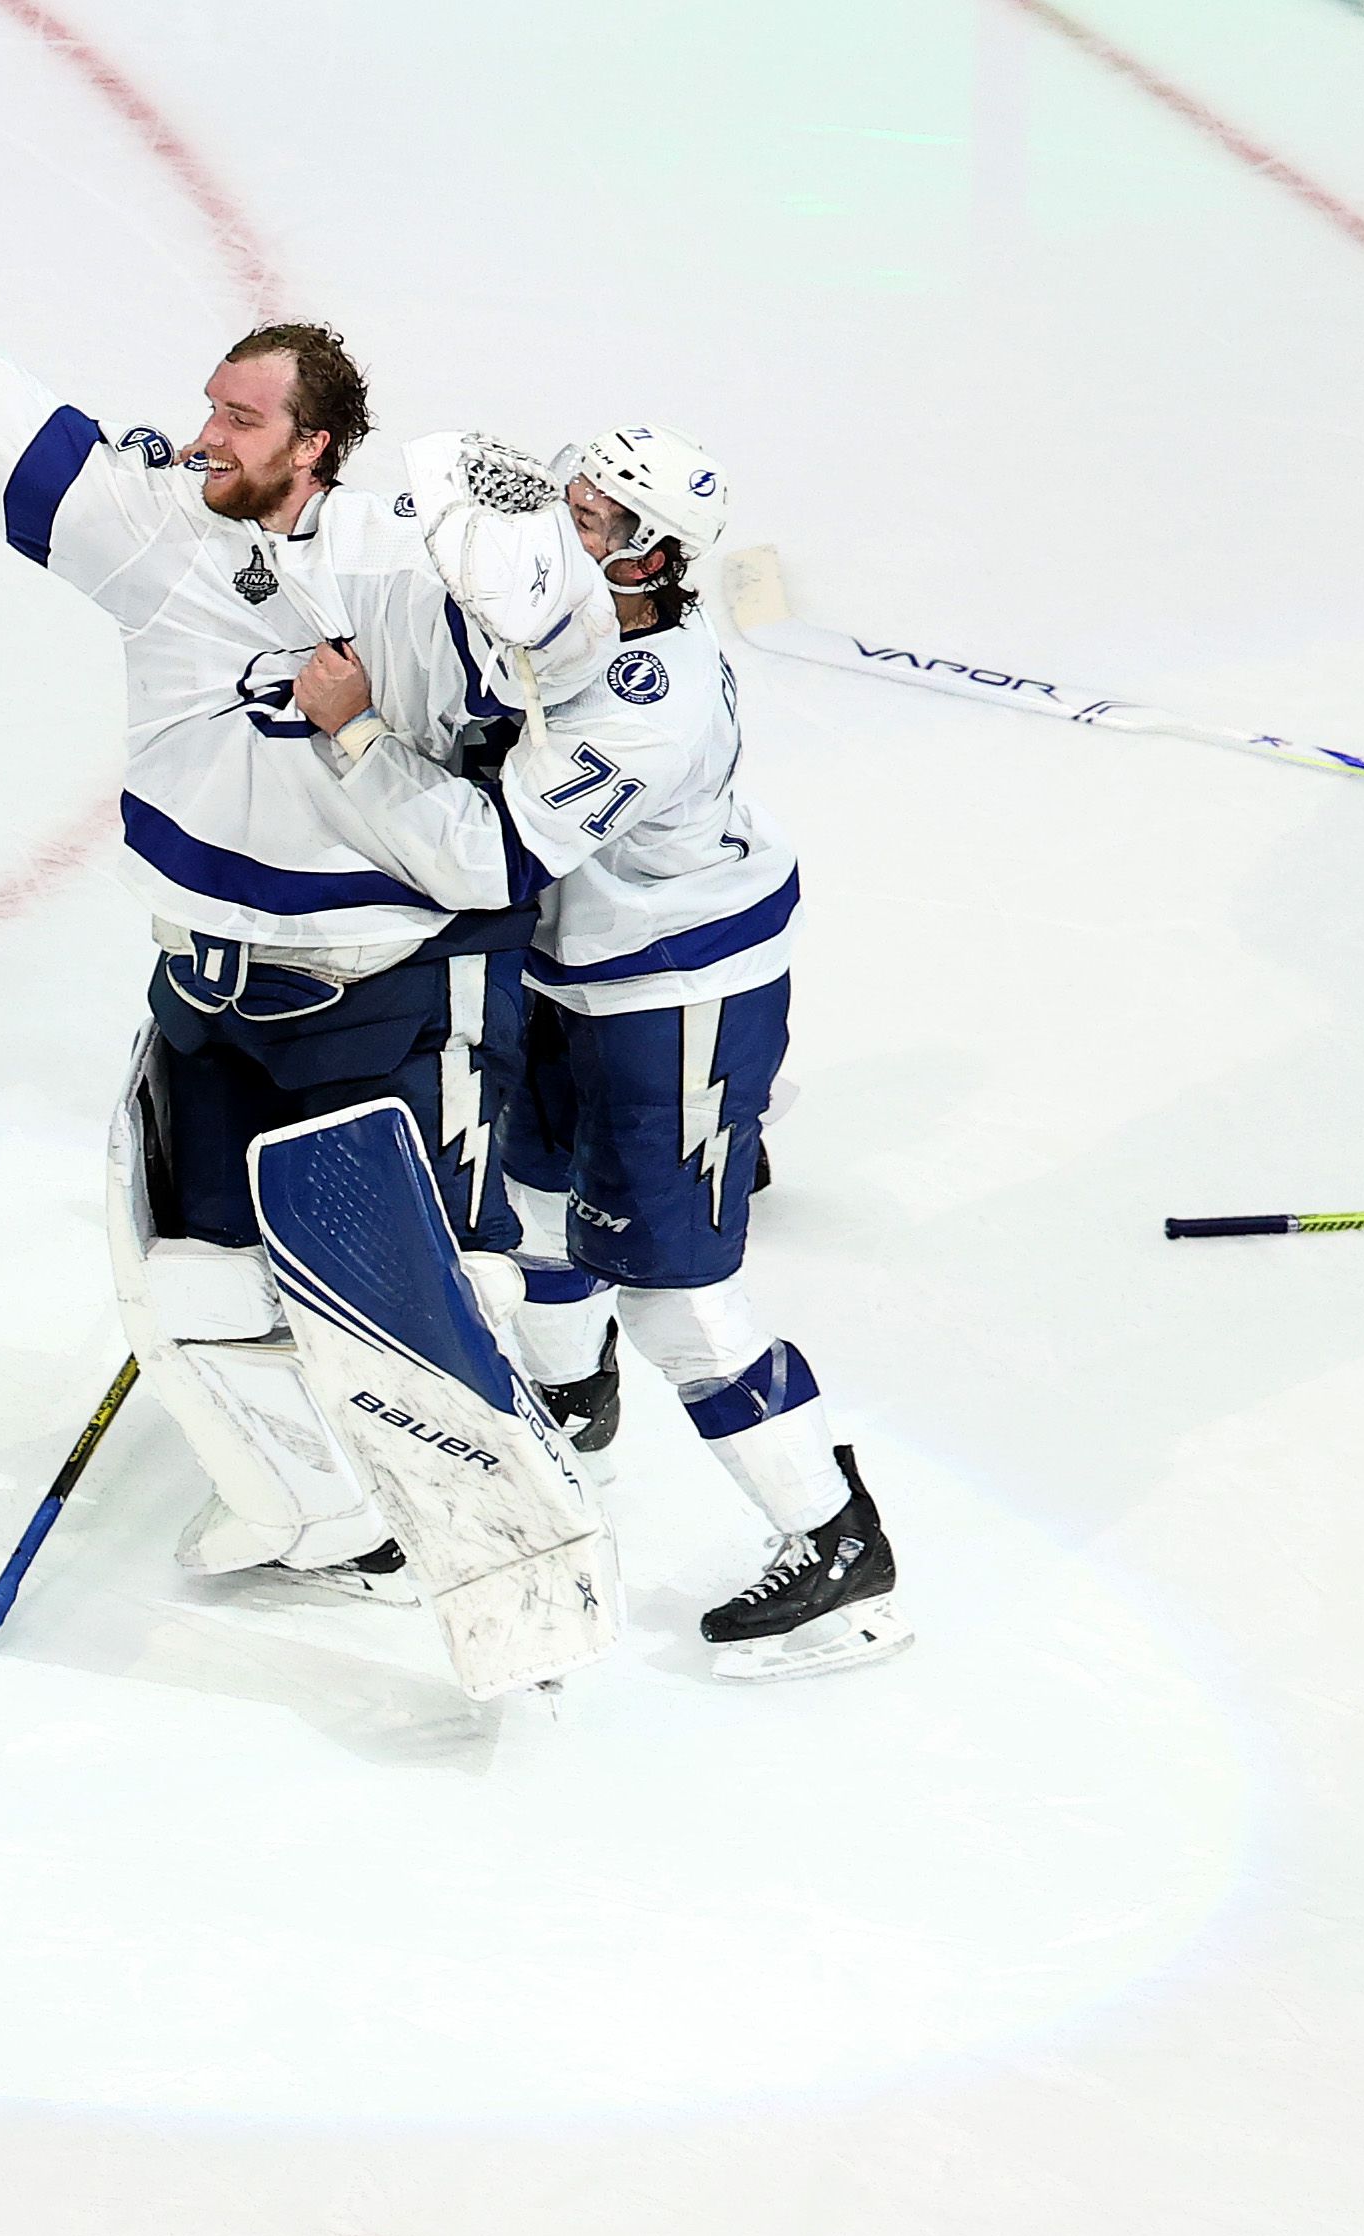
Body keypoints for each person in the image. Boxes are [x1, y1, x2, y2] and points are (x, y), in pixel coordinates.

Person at [0, 159, 598, 1665]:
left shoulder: (415, 577)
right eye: (209, 406)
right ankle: (323, 1507)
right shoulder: (161, 527)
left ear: (317, 445)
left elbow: (518, 782)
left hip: (375, 988)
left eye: (240, 418)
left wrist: (411, 701)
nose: (203, 432)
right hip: (209, 985)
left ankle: (518, 1522)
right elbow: (15, 445)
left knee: (424, 1285)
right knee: (189, 1274)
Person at [492, 429, 909, 1677]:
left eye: (592, 517)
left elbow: (496, 846)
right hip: (577, 972)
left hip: (671, 997)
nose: (562, 529)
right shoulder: (565, 628)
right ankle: (572, 1399)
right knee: (531, 1200)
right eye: (567, 501)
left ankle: (837, 1547)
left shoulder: (649, 695)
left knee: (675, 1293)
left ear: (652, 555)